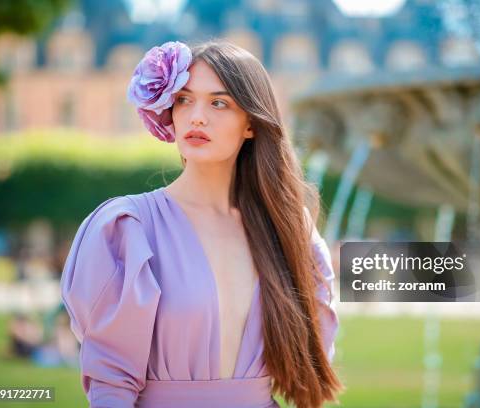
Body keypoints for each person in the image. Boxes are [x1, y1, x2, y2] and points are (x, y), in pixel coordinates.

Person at [60, 40, 343, 408]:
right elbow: (110, 384)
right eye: (184, 100)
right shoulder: (128, 228)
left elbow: (316, 345)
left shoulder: (288, 227)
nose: (196, 116)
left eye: (219, 103)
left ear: (252, 125)